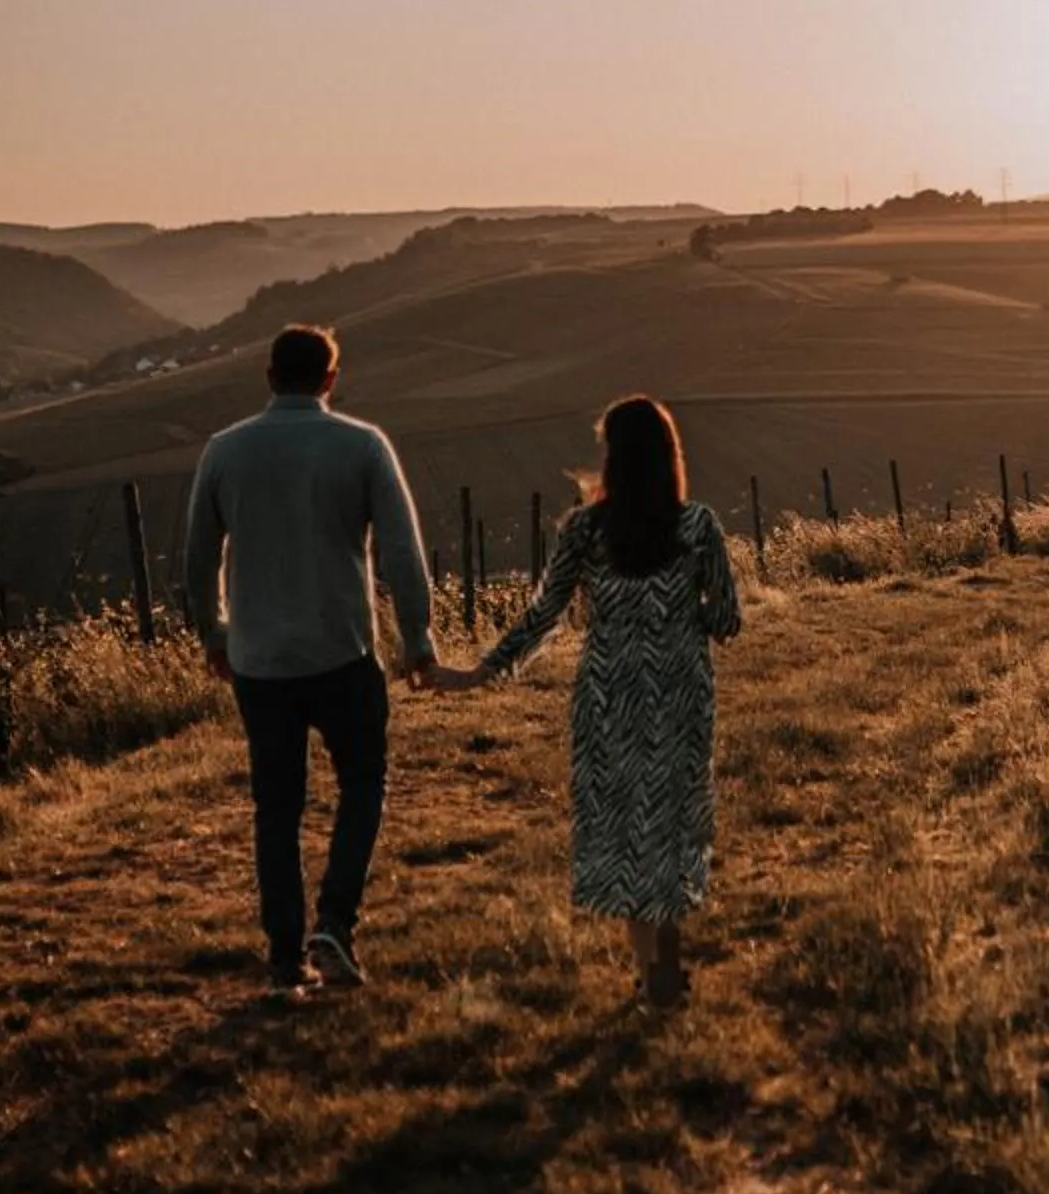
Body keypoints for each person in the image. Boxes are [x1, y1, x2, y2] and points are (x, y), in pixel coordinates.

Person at [434, 395, 740, 1007]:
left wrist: (482, 671)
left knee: (625, 829)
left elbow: (544, 615)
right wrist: (686, 617)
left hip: (609, 694)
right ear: (670, 455)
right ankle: (667, 960)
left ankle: (649, 969)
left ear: (613, 458)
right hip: (680, 691)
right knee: (673, 820)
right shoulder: (698, 526)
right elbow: (728, 620)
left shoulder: (584, 530)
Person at [184, 322, 436, 998]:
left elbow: (198, 558)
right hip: (343, 652)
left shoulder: (224, 451)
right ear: (331, 378)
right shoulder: (362, 444)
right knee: (363, 784)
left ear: (269, 377)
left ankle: (284, 959)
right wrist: (417, 639)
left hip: (260, 662)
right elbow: (402, 551)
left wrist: (214, 633)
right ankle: (335, 925)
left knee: (276, 808)